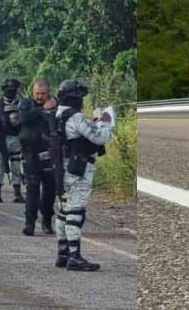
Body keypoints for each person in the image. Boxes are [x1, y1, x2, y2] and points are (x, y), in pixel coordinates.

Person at [53, 80, 113, 272]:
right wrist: (105, 121)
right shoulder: (76, 117)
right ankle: (74, 256)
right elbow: (100, 137)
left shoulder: (57, 114)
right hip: (78, 168)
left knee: (63, 210)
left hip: (60, 168)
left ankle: (63, 253)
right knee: (75, 211)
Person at [18, 78, 58, 236]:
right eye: (37, 93)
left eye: (43, 94)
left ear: (48, 93)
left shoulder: (56, 104)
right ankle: (30, 223)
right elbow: (24, 119)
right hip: (31, 153)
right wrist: (43, 109)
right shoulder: (26, 104)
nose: (40, 97)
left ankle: (47, 222)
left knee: (49, 191)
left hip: (49, 154)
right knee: (32, 189)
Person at [0, 78, 25, 204]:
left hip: (16, 139)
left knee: (16, 167)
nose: (11, 91)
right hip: (1, 139)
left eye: (14, 88)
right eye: (9, 88)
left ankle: (17, 194)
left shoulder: (21, 104)